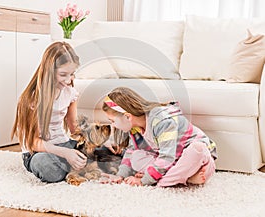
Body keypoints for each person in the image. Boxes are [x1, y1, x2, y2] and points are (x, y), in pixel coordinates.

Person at [100, 87, 217, 187]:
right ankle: (187, 177)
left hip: (194, 155)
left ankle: (166, 180)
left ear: (127, 117)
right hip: (173, 158)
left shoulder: (161, 121)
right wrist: (120, 175)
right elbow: (131, 151)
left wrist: (144, 180)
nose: (112, 125)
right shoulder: (135, 128)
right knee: (136, 157)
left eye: (112, 121)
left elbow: (167, 158)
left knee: (197, 149)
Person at [11, 41, 87, 183]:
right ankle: (79, 167)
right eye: (63, 74)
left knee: (100, 150)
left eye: (72, 74)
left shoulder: (70, 93)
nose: (68, 80)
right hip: (38, 152)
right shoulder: (32, 99)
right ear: (49, 70)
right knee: (46, 167)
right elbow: (33, 143)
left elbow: (74, 127)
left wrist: (93, 139)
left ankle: (75, 165)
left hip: (63, 145)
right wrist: (66, 153)